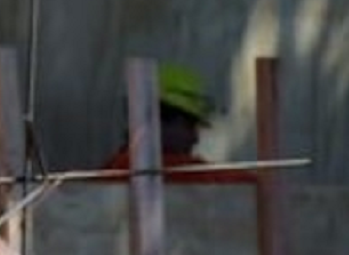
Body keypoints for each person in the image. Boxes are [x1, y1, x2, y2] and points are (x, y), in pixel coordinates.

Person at [100, 62, 255, 184]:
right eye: (189, 126)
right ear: (158, 121)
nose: (195, 138)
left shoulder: (111, 172)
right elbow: (248, 183)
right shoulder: (132, 168)